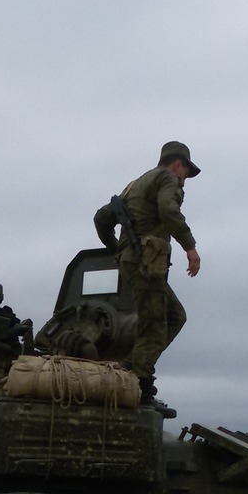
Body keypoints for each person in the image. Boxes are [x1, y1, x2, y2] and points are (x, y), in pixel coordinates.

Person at [93, 140, 204, 418]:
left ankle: (133, 366)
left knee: (173, 315)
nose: (185, 181)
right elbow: (169, 210)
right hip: (147, 261)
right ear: (178, 164)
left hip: (135, 261)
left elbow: (101, 218)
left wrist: (116, 249)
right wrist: (190, 247)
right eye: (186, 174)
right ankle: (140, 388)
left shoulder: (135, 184)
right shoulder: (167, 179)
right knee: (156, 323)